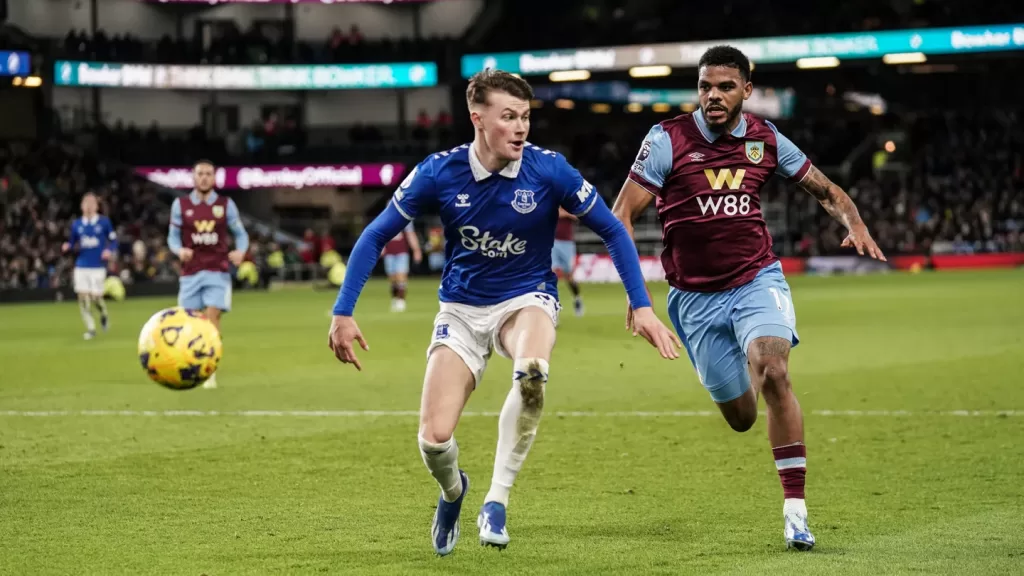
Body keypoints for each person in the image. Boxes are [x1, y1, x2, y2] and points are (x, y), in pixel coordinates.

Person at [328, 69, 680, 556]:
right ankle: (455, 493)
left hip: (526, 298)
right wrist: (343, 311)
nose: (521, 128)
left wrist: (642, 306)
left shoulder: (549, 170)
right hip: (462, 309)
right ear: (478, 118)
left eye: (526, 117)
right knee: (433, 440)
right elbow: (374, 235)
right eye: (509, 116)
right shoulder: (438, 171)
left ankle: (497, 498)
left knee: (532, 373)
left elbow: (614, 230)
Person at [612, 46, 887, 551]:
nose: (713, 96)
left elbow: (825, 190)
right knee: (741, 418)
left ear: (746, 91)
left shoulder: (766, 138)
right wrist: (637, 294)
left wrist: (856, 223)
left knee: (776, 372)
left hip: (756, 280)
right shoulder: (667, 139)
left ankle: (796, 513)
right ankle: (729, 374)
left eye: (724, 86)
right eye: (704, 86)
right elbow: (620, 215)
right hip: (693, 299)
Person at [167, 160, 249, 389]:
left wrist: (241, 251)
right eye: (200, 174)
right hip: (190, 273)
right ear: (193, 178)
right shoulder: (180, 205)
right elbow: (172, 236)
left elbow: (241, 234)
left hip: (217, 270)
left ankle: (210, 370)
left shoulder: (225, 204)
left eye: (208, 174)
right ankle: (191, 364)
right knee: (190, 322)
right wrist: (178, 250)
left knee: (212, 318)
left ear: (214, 178)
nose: (204, 177)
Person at [62, 192, 117, 340]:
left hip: (97, 266)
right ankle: (91, 328)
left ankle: (103, 313)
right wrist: (68, 246)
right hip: (81, 265)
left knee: (96, 297)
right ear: (81, 206)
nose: (88, 206)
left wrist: (108, 250)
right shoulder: (77, 224)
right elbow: (73, 242)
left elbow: (113, 241)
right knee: (83, 297)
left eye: (91, 203)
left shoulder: (104, 222)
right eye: (86, 203)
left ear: (96, 206)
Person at [381, 221, 423, 312]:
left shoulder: (406, 220)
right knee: (392, 279)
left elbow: (411, 235)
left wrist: (416, 250)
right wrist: (381, 247)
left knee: (401, 276)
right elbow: (382, 235)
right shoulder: (386, 220)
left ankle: (401, 300)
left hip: (402, 252)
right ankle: (395, 298)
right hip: (389, 253)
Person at [552, 208, 584, 316]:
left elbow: (578, 216)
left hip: (567, 243)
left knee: (569, 276)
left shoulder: (568, 203)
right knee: (552, 273)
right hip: (552, 241)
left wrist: (565, 213)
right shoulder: (551, 202)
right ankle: (552, 306)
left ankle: (577, 298)